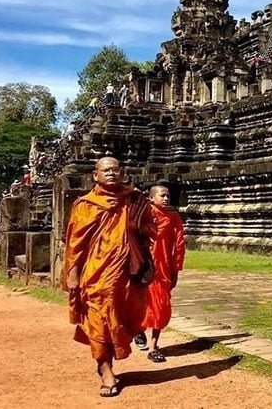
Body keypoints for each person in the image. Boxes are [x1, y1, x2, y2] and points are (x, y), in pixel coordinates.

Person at [63, 157, 156, 397]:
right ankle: (105, 370)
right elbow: (75, 243)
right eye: (106, 170)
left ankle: (110, 358)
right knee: (98, 319)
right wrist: (72, 274)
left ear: (122, 172)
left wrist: (142, 229)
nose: (111, 173)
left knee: (124, 316)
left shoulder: (134, 200)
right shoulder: (86, 205)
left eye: (115, 169)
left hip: (127, 273)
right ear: (95, 176)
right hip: (96, 274)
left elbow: (149, 228)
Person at [134, 185, 185, 362]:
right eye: (162, 195)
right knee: (141, 304)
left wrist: (176, 268)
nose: (166, 199)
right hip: (143, 266)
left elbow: (179, 244)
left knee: (161, 307)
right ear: (151, 198)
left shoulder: (172, 217)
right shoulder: (143, 214)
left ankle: (154, 346)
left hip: (163, 268)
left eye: (168, 196)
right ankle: (138, 330)